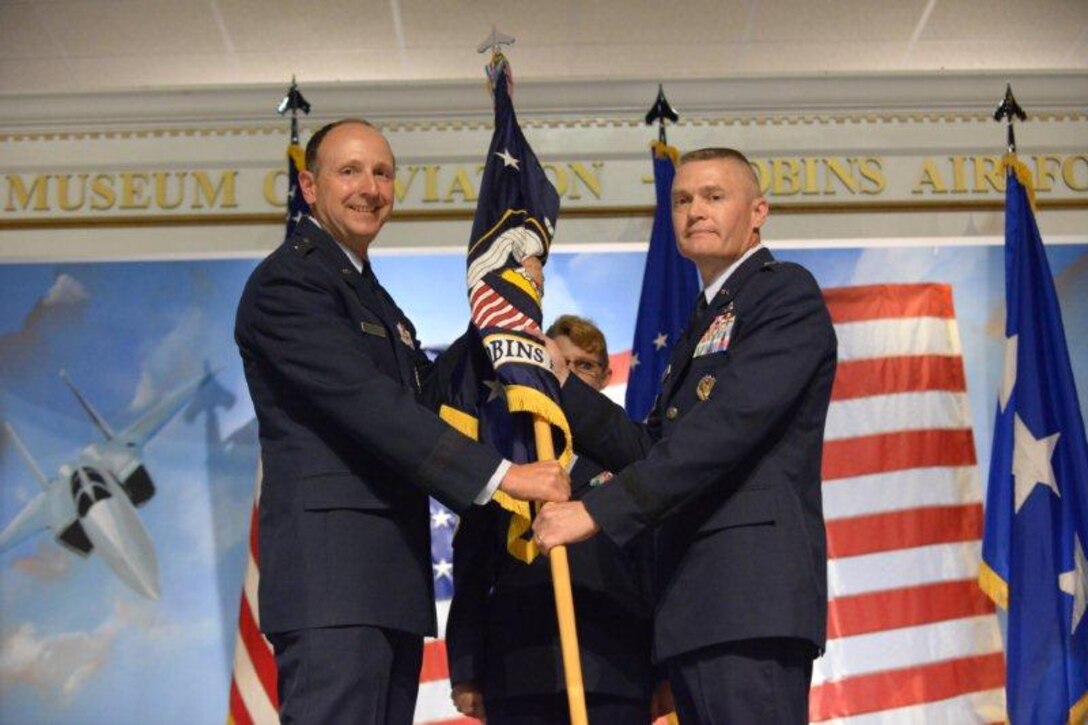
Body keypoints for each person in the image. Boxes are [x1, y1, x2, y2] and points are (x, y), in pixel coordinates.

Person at [234, 118, 570, 724]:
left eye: (382, 173)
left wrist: (495, 315)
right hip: (332, 585)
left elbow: (427, 396)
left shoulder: (369, 294)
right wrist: (503, 476)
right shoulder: (289, 282)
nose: (370, 187)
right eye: (350, 171)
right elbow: (370, 407)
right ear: (309, 187)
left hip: (386, 582)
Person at [533, 147, 837, 723]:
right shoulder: (702, 320)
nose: (694, 209)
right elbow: (654, 450)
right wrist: (563, 382)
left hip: (749, 601)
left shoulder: (783, 295)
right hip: (696, 605)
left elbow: (725, 432)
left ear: (758, 212)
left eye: (713, 196)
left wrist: (595, 511)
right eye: (682, 199)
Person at [446, 314, 655, 724]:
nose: (571, 373)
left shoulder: (635, 460)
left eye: (584, 365)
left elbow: (653, 565)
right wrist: (466, 670)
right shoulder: (508, 460)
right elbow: (472, 567)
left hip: (615, 671)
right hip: (520, 672)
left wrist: (663, 668)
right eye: (560, 363)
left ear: (605, 376)